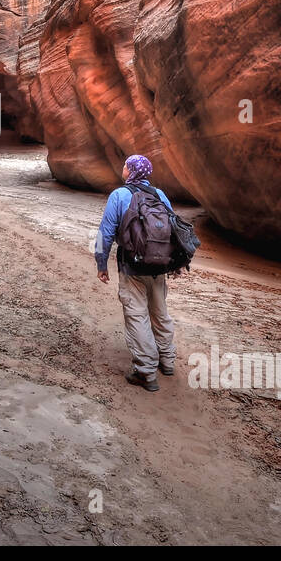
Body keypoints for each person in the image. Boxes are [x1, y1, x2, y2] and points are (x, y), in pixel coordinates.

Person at [94, 154, 176, 392]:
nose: (123, 169)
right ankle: (167, 360)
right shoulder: (159, 195)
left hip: (132, 264)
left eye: (125, 166)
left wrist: (101, 264)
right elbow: (174, 228)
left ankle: (146, 371)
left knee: (137, 313)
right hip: (159, 265)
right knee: (160, 311)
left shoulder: (119, 195)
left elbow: (105, 233)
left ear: (130, 171)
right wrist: (173, 263)